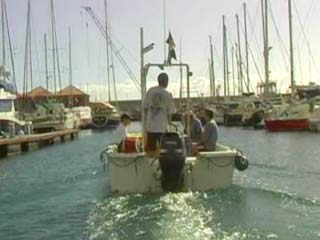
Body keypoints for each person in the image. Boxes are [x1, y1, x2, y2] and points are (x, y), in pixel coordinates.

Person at [143, 72, 176, 153]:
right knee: (163, 150)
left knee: (150, 150)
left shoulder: (150, 91)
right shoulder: (168, 94)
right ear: (166, 81)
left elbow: (145, 108)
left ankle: (150, 164)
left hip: (150, 127)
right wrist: (169, 122)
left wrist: (147, 120)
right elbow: (170, 112)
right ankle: (162, 164)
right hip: (162, 127)